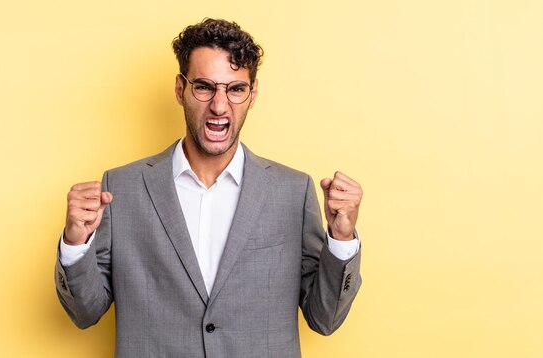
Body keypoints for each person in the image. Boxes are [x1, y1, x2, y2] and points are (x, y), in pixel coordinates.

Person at [55, 18, 362, 357]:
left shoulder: (292, 191)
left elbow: (325, 319)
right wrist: (75, 243)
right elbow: (85, 312)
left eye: (235, 89)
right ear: (180, 89)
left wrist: (342, 240)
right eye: (204, 87)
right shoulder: (121, 188)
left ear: (252, 93)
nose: (219, 106)